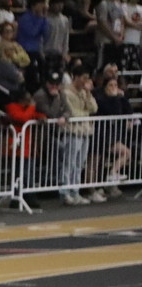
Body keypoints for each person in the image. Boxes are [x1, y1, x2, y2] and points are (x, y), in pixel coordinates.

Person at [59, 65, 98, 205]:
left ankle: (75, 191)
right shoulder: (66, 92)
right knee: (69, 162)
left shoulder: (84, 92)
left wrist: (88, 93)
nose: (85, 81)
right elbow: (73, 112)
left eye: (87, 78)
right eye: (83, 78)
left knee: (80, 163)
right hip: (72, 131)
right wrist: (85, 114)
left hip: (85, 131)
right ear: (75, 77)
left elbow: (94, 108)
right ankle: (65, 191)